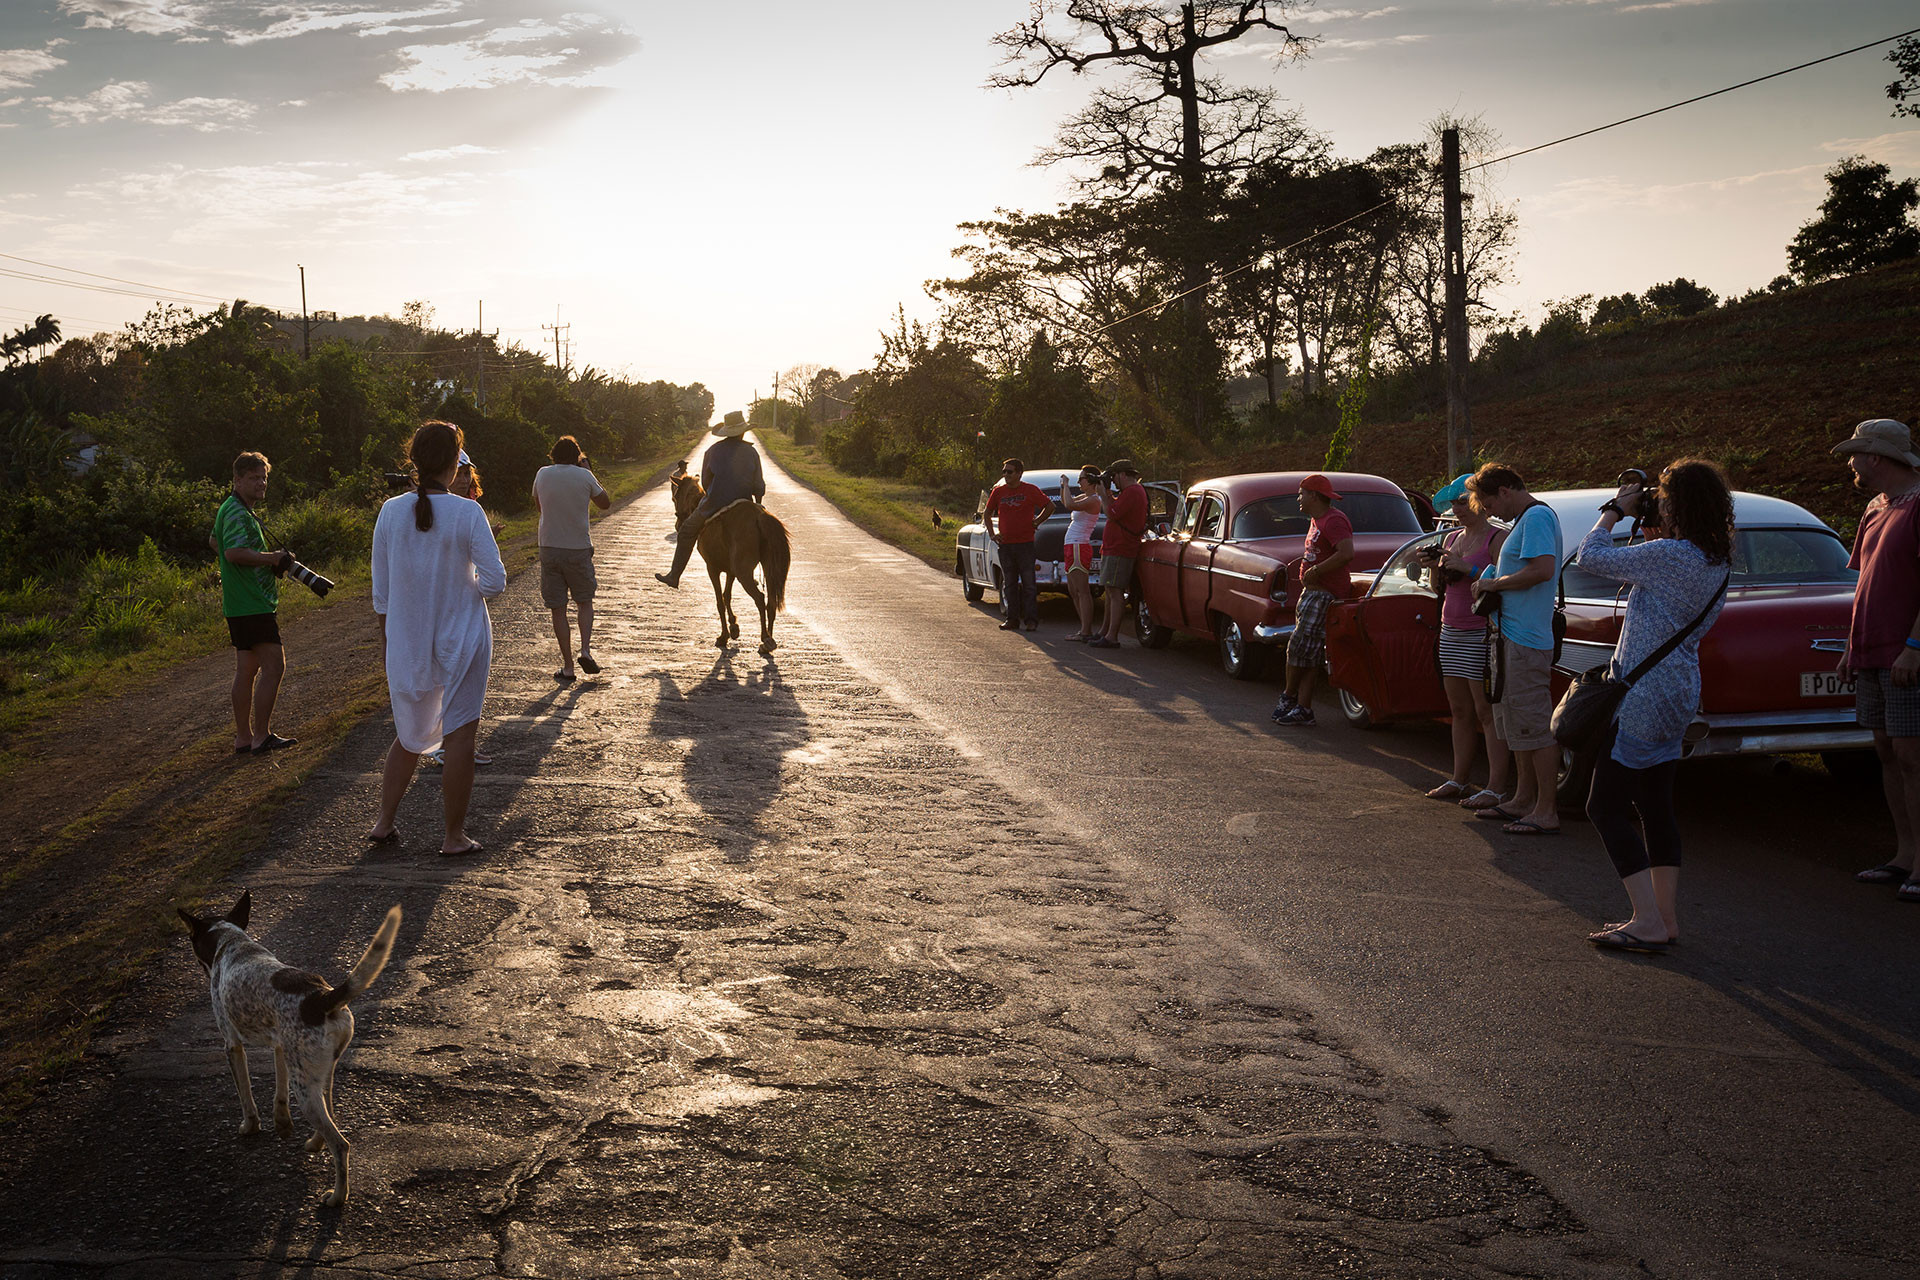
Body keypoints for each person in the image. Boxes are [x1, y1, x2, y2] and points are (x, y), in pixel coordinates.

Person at [1576, 461, 1732, 952]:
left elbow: (1590, 556)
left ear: (1678, 504)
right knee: (1655, 803)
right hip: (1679, 689)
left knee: (1603, 805)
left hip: (1644, 693)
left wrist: (1613, 511)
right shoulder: (1714, 558)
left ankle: (1645, 919)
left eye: (1664, 497)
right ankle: (1664, 918)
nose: (1658, 503)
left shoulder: (1670, 556)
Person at [367, 421, 505, 856]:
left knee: (409, 733)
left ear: (414, 463)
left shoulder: (390, 511)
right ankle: (453, 836)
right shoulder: (468, 512)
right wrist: (467, 587)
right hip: (463, 636)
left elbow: (382, 593)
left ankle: (384, 823)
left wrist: (390, 637)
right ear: (454, 464)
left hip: (408, 637)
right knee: (461, 735)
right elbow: (496, 582)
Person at [1834, 419, 1920, 903]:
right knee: (1887, 752)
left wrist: (1916, 646)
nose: (1850, 463)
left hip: (1907, 654)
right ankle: (1903, 855)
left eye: (1855, 453)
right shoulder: (1874, 507)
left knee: (1914, 757)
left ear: (1876, 457)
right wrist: (1852, 645)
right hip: (1871, 651)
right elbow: (1863, 582)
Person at [1467, 464, 1564, 835]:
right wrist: (1491, 580)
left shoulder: (1536, 517)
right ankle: (1524, 799)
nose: (1489, 512)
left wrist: (1495, 585)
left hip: (1525, 640)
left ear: (1505, 490)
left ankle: (1545, 809)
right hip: (1511, 638)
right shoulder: (1526, 520)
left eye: (1489, 503)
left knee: (1535, 725)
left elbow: (1542, 570)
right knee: (1517, 725)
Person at [1424, 473, 1512, 807]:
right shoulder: (1452, 539)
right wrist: (1436, 567)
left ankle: (1496, 786)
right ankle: (1459, 779)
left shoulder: (1497, 538)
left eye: (1464, 501)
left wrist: (1470, 569)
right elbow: (1439, 589)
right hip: (1451, 628)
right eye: (1454, 503)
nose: (1457, 508)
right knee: (1459, 709)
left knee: (1486, 711)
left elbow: (1505, 582)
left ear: (1481, 501)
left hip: (1481, 631)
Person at [213, 451, 297, 756]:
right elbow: (233, 552)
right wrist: (270, 558)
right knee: (275, 666)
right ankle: (261, 736)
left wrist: (260, 561)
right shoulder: (236, 511)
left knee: (246, 671)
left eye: (264, 477)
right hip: (251, 605)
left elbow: (216, 541)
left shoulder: (232, 509)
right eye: (253, 478)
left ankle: (244, 738)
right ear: (237, 480)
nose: (261, 483)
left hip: (240, 603)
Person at [432, 449, 497, 769]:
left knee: (456, 683)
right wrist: (476, 588)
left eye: (467, 472)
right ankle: (451, 747)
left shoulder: (470, 507)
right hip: (451, 608)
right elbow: (492, 580)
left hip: (448, 606)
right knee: (457, 683)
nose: (462, 478)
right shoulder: (444, 509)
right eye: (457, 472)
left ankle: (456, 746)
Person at [1273, 474, 1354, 727]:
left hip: (1325, 593)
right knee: (1309, 653)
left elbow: (1346, 552)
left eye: (1302, 493)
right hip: (1313, 592)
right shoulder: (1316, 520)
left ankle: (1289, 697)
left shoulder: (1334, 520)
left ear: (1315, 496)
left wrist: (1317, 571)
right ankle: (1304, 709)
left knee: (1298, 647)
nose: (1299, 498)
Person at [534, 435, 611, 682]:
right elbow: (605, 504)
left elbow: (539, 507)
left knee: (558, 608)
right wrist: (588, 472)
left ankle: (568, 667)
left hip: (549, 547)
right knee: (584, 600)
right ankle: (585, 650)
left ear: (553, 455)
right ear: (577, 456)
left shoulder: (542, 474)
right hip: (577, 547)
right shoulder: (584, 476)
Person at [656, 412, 764, 588]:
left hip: (715, 504)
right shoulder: (752, 452)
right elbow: (759, 485)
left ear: (726, 432)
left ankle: (674, 575)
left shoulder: (712, 451)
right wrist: (758, 506)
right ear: (742, 432)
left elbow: (706, 483)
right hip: (746, 504)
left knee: (686, 532)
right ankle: (752, 574)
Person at [983, 458, 1052, 632]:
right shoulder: (999, 492)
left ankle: (1031, 620)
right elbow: (987, 512)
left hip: (1025, 544)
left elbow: (1049, 506)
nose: (1006, 475)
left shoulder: (1030, 490)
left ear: (1019, 474)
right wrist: (992, 534)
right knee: (1009, 584)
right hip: (1006, 545)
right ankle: (1012, 619)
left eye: (1010, 472)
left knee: (1029, 584)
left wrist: (1036, 522)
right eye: (1004, 472)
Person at [1091, 460, 1148, 649]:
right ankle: (1104, 632)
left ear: (1123, 474)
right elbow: (1115, 509)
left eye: (1114, 476)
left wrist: (1103, 496)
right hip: (1114, 547)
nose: (1113, 481)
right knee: (1109, 591)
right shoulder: (1130, 492)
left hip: (1121, 548)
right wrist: (1107, 495)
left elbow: (1112, 513)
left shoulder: (1133, 492)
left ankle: (1112, 636)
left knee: (1115, 592)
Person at [1058, 466, 1105, 641]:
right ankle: (1083, 628)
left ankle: (1086, 630)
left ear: (1091, 480)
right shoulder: (1086, 497)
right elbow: (1066, 502)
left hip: (1079, 545)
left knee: (1082, 590)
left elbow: (1070, 504)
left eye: (1082, 479)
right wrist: (1063, 486)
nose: (1079, 482)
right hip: (1071, 545)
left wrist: (1067, 485)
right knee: (1073, 590)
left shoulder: (1094, 500)